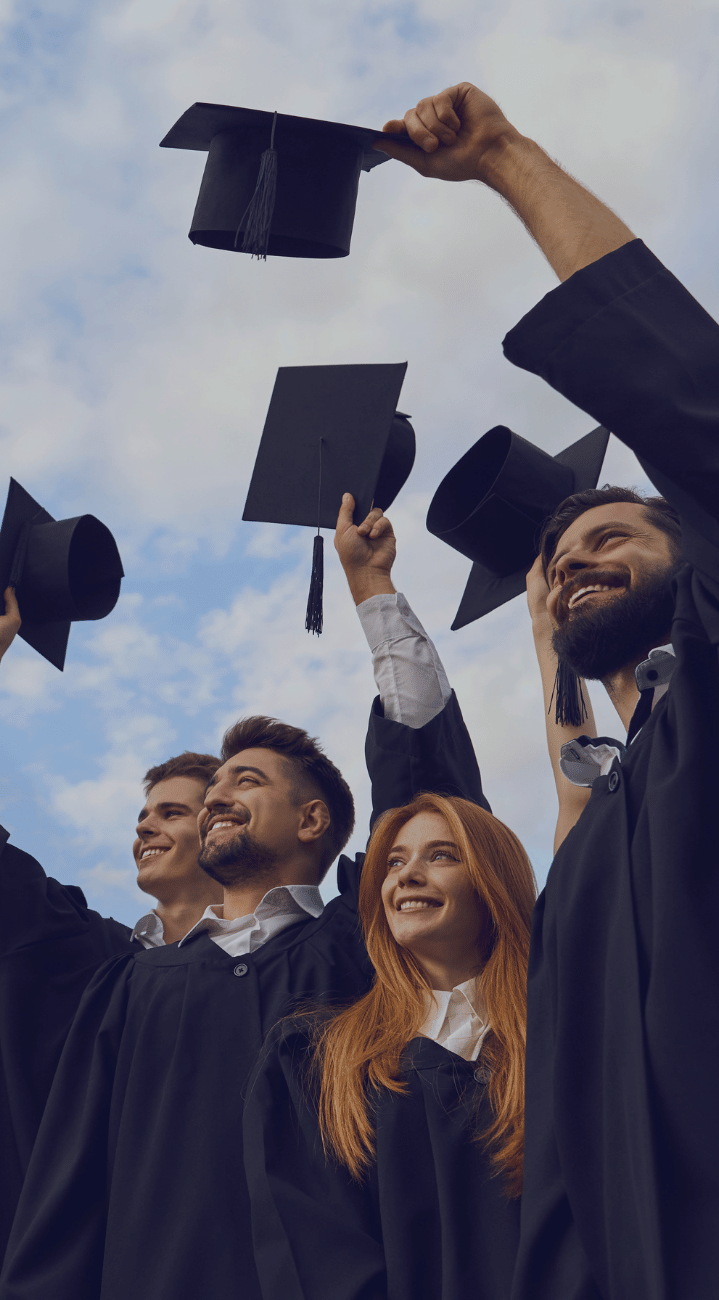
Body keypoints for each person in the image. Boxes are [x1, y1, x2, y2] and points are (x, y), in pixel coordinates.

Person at [376, 81, 719, 1300]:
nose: (572, 560)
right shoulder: (600, 844)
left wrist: (507, 161)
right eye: (556, 561)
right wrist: (552, 673)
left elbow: (692, 405)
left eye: (612, 535)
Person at [0, 503, 487, 1300]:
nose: (218, 799)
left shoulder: (357, 944)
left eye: (246, 783)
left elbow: (433, 803)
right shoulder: (129, 988)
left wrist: (372, 591)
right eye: (214, 789)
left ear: (313, 820)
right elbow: (67, 1196)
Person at [0, 582, 222, 1300]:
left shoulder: (285, 968)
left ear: (223, 826)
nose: (143, 826)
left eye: (172, 811)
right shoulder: (82, 954)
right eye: (142, 813)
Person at [243, 792, 536, 1300]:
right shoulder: (319, 1059)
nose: (406, 875)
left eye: (441, 855)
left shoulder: (563, 1043)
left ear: (495, 882)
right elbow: (315, 1258)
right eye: (395, 862)